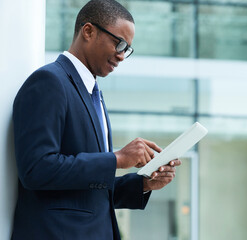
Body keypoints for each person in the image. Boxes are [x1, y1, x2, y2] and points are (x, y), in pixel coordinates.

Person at [11, 0, 181, 239]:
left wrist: (143, 184)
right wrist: (117, 159)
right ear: (88, 31)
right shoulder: (49, 82)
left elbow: (88, 191)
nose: (122, 56)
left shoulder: (93, 94)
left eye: (127, 49)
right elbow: (37, 169)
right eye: (118, 43)